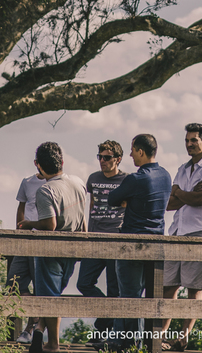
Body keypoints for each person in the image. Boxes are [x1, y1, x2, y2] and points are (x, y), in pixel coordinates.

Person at [159, 123, 202, 351]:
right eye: (187, 140)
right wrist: (183, 193)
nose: (189, 144)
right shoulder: (182, 168)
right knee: (168, 286)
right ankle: (160, 337)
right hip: (178, 230)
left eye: (194, 141)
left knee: (193, 288)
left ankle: (183, 338)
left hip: (200, 232)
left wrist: (180, 193)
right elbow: (171, 203)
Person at [17, 141, 88, 353]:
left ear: (38, 165)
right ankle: (40, 329)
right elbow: (83, 218)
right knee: (55, 293)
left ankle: (53, 344)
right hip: (74, 248)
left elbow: (49, 225)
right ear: (62, 162)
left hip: (51, 252)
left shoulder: (46, 191)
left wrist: (29, 224)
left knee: (50, 298)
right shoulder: (78, 183)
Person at [106, 133, 171, 351]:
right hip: (157, 246)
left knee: (130, 296)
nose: (131, 155)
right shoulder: (166, 176)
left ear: (141, 152)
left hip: (132, 243)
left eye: (133, 150)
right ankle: (148, 344)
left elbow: (112, 200)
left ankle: (130, 345)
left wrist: (130, 200)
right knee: (151, 298)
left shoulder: (136, 178)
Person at [76, 140, 127, 346]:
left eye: (107, 157)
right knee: (84, 283)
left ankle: (104, 330)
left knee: (115, 290)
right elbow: (92, 205)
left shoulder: (127, 180)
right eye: (100, 157)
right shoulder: (93, 179)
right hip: (95, 238)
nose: (102, 161)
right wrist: (86, 232)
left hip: (116, 239)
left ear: (118, 159)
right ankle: (106, 319)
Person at [8, 165, 47, 344]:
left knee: (41, 289)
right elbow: (21, 207)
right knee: (13, 282)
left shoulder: (55, 183)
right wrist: (19, 230)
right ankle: (37, 319)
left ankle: (29, 330)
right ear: (36, 162)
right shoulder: (28, 182)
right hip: (25, 240)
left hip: (44, 242)